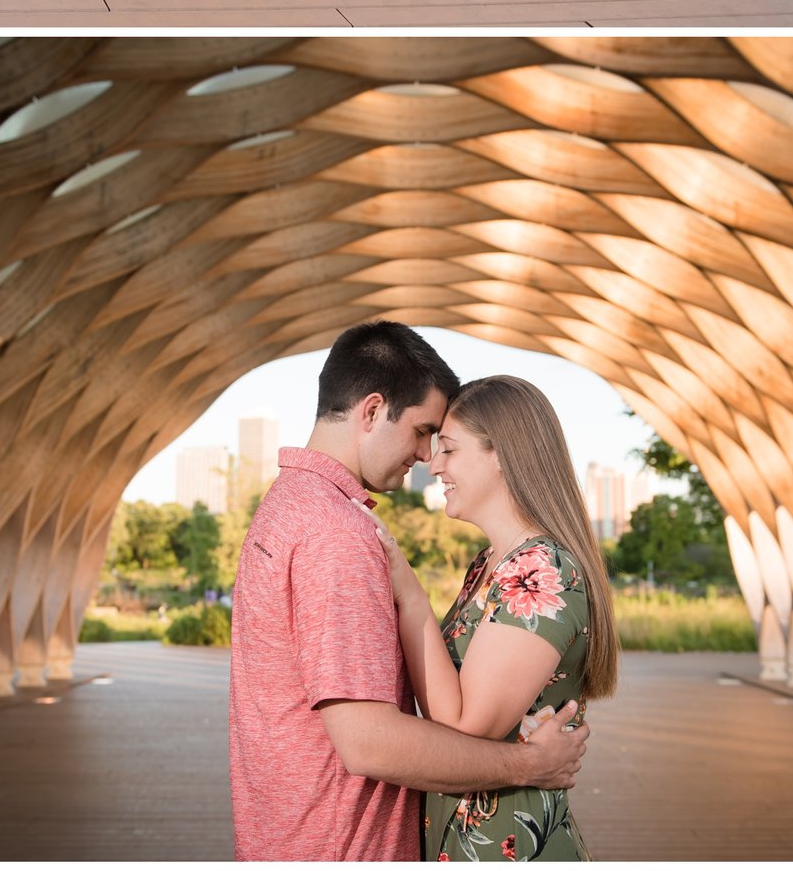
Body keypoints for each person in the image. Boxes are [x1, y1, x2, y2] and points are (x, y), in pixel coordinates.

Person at [228, 321, 590, 861]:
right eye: (424, 432)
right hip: (340, 848)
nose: (427, 458)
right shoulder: (335, 531)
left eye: (444, 444)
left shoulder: (291, 504)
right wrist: (530, 764)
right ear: (372, 412)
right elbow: (368, 740)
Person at [382, 375, 615, 861]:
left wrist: (412, 597)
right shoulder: (491, 566)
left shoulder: (541, 569)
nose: (433, 463)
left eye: (449, 449)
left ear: (502, 455)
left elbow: (468, 727)